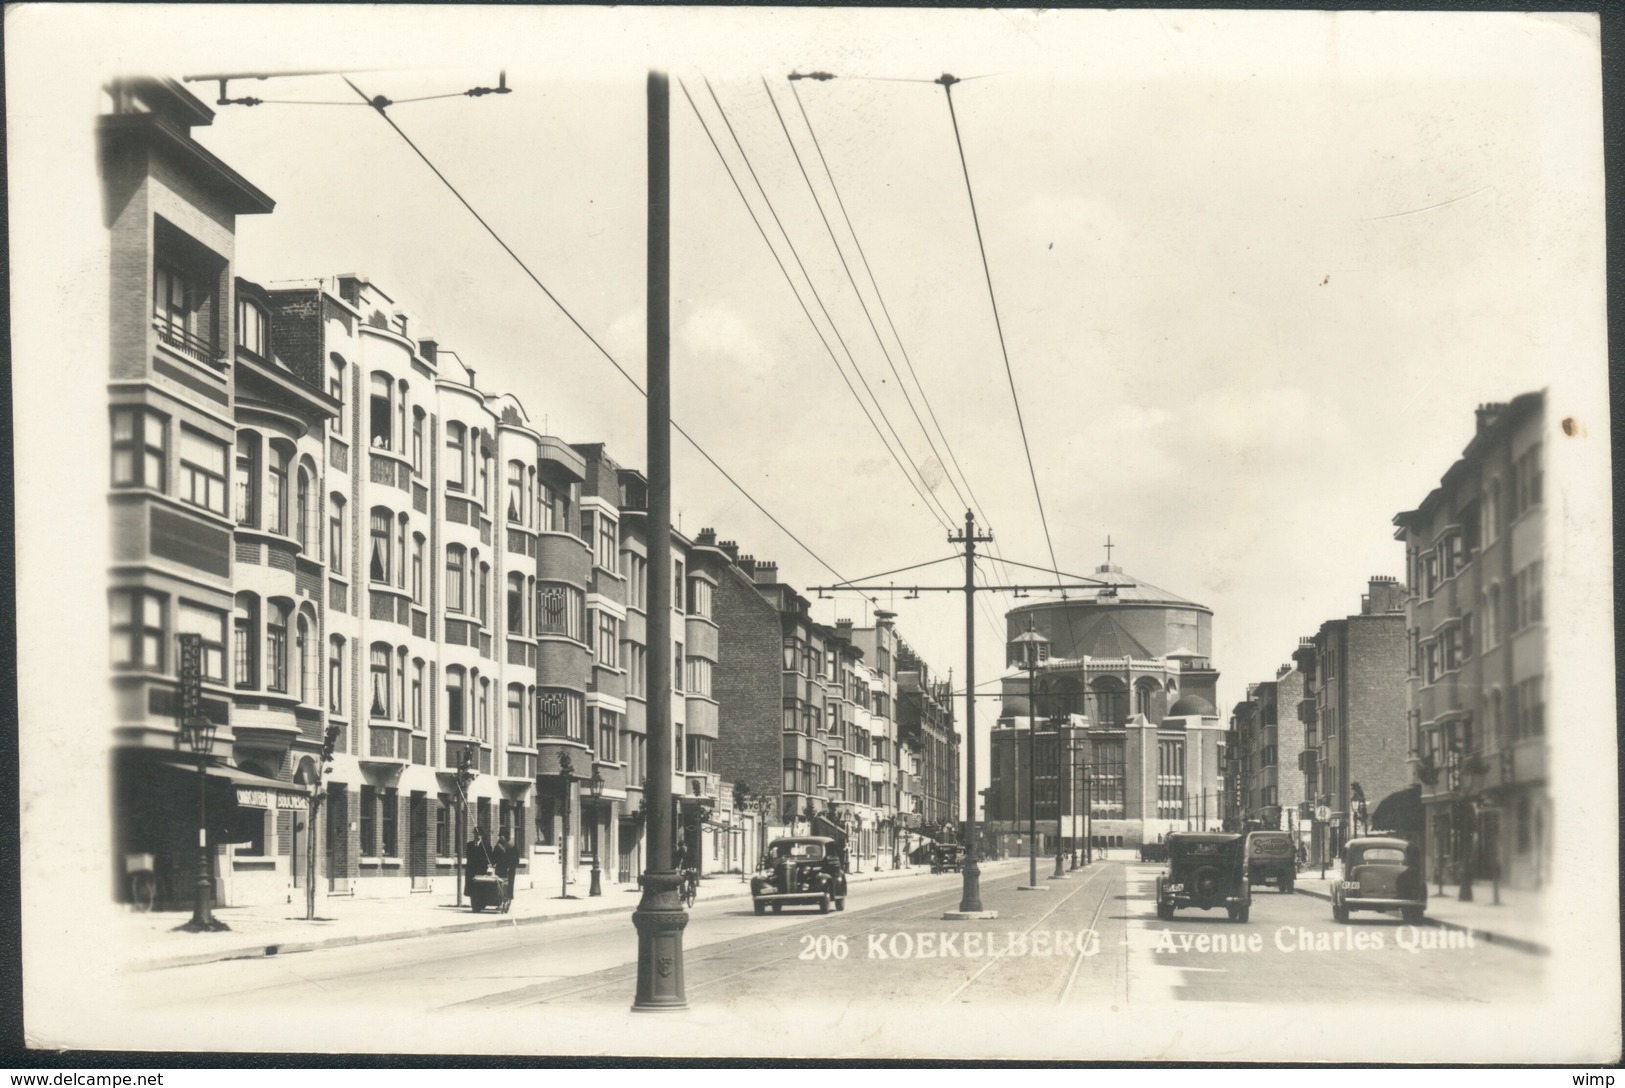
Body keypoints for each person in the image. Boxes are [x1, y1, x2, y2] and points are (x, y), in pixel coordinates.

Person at [493, 831, 518, 912]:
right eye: (500, 836)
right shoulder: (498, 846)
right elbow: (494, 857)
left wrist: (511, 866)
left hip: (509, 870)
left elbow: (516, 860)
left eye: (502, 836)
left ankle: (507, 902)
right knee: (499, 887)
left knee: (508, 887)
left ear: (506, 837)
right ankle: (500, 903)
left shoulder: (512, 846)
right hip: (500, 869)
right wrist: (492, 863)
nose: (500, 838)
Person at [464, 829, 490, 899]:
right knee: (471, 888)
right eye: (476, 834)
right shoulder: (469, 844)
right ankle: (473, 904)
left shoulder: (486, 845)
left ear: (482, 836)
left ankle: (480, 903)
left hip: (481, 870)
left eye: (479, 834)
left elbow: (488, 858)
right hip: (471, 870)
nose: (477, 836)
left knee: (480, 888)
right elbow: (468, 856)